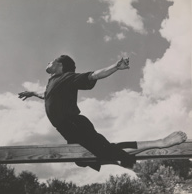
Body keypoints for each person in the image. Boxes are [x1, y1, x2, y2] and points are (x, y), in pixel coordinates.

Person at [18, 55, 187, 171]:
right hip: (67, 128)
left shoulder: (67, 77)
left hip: (74, 124)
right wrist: (32, 93)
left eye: (52, 60)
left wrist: (116, 66)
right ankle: (124, 160)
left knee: (106, 151)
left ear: (60, 65)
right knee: (82, 160)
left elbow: (93, 76)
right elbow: (46, 95)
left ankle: (160, 143)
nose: (48, 62)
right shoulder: (54, 83)